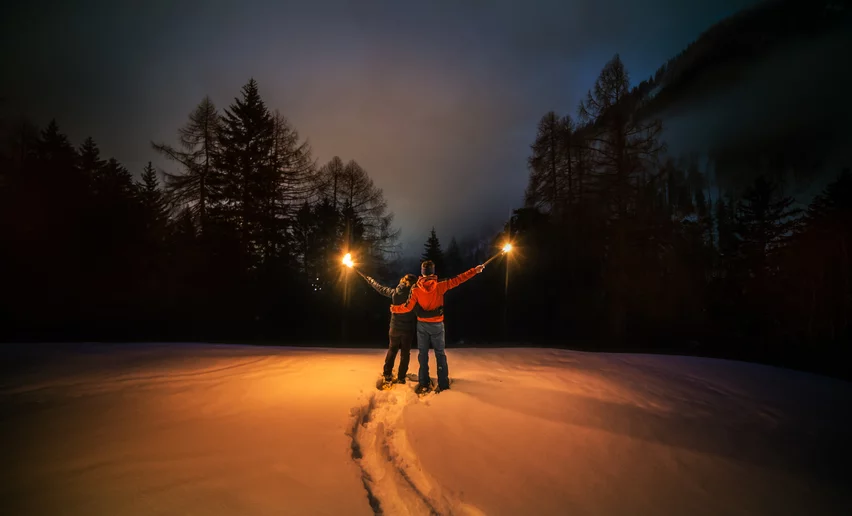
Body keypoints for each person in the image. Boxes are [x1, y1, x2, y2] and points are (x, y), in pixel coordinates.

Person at [391, 260, 485, 394]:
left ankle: (424, 382)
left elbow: (408, 307)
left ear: (422, 273)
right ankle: (443, 383)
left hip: (422, 325)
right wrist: (475, 270)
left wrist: (394, 309)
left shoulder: (416, 289)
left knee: (423, 354)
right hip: (437, 324)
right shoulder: (440, 285)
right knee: (440, 354)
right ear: (433, 272)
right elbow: (459, 279)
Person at [362, 273, 443, 385]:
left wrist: (370, 280)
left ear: (403, 281)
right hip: (407, 330)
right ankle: (401, 377)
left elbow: (381, 289)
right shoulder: (414, 296)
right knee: (405, 353)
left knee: (392, 350)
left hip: (394, 328)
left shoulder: (395, 292)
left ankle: (387, 374)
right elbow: (421, 313)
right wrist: (436, 311)